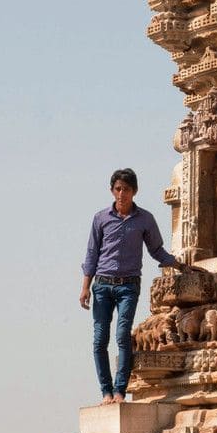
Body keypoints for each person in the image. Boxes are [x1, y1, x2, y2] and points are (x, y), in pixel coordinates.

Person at [79, 168, 193, 405]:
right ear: (112, 191)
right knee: (100, 339)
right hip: (102, 285)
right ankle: (106, 392)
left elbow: (156, 250)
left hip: (128, 286)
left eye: (127, 189)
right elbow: (91, 254)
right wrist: (85, 287)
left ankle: (120, 390)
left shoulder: (144, 219)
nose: (122, 194)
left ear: (135, 192)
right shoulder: (101, 219)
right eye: (118, 189)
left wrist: (178, 264)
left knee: (123, 335)